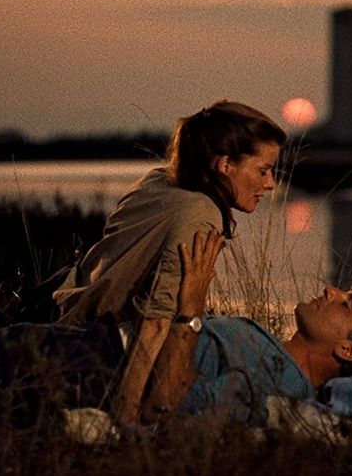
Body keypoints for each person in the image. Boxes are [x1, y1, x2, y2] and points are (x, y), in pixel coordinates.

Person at [52, 101, 287, 424]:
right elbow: (156, 321)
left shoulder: (158, 181)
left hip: (58, 323)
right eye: (262, 170)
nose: (271, 183)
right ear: (225, 165)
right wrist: (126, 419)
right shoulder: (202, 213)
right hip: (87, 350)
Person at [141, 230, 352, 425]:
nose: (330, 290)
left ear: (348, 349)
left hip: (113, 352)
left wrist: (189, 308)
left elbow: (165, 406)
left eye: (346, 304)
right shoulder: (274, 356)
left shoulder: (278, 384)